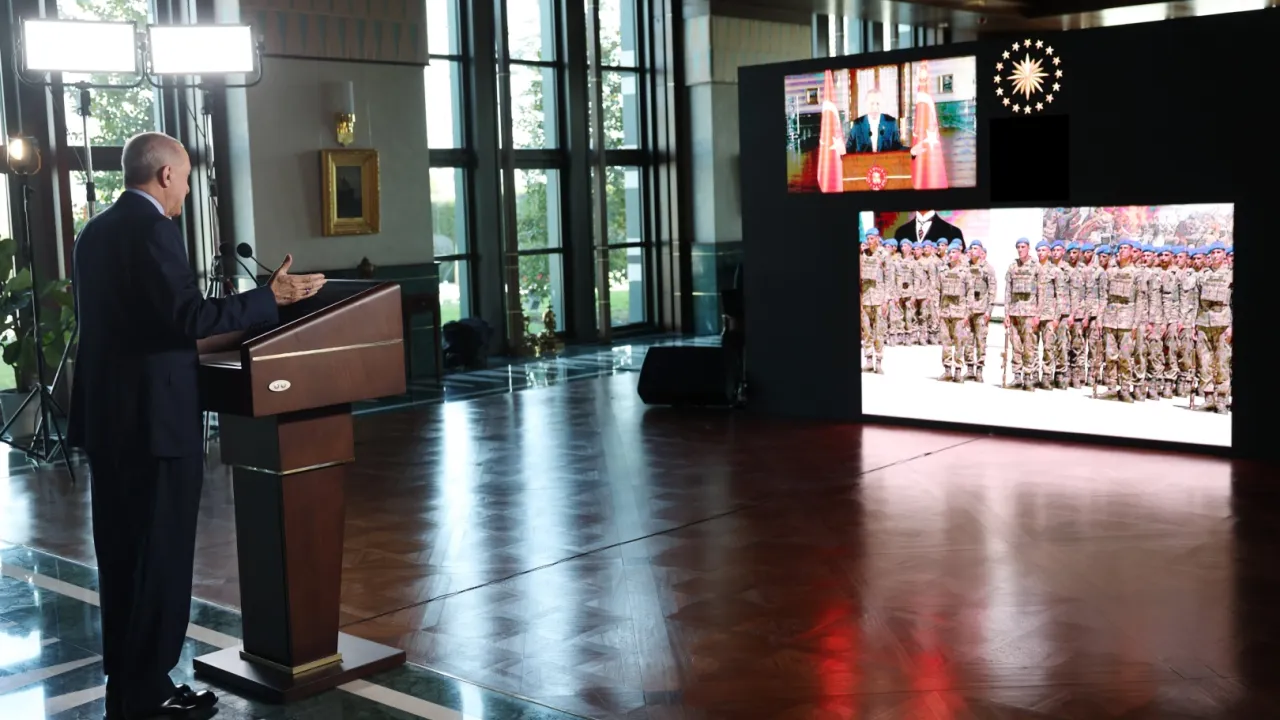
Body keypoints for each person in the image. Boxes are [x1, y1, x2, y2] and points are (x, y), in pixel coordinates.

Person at [68, 132, 327, 719]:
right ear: (164, 175)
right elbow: (186, 318)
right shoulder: (153, 229)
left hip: (110, 424)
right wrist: (267, 299)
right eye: (185, 178)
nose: (186, 190)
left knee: (122, 558)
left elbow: (142, 323)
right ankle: (150, 691)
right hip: (155, 426)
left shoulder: (94, 232)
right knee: (159, 558)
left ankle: (127, 687)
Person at [1004, 238, 1041, 391]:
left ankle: (1028, 376)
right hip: (1014, 313)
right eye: (1018, 247)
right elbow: (1008, 291)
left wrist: (1038, 314)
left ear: (1028, 248)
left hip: (1029, 313)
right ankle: (1017, 376)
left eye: (1023, 247)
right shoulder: (1013, 266)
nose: (1020, 249)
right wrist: (1006, 313)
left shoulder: (1036, 266)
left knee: (1029, 346)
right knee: (1016, 345)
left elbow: (1041, 292)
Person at [908, 61, 948, 189]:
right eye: (920, 78)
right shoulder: (920, 99)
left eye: (924, 79)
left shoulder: (926, 98)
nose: (922, 81)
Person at [937, 241, 972, 382]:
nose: (950, 255)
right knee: (945, 341)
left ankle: (958, 370)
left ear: (959, 254)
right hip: (945, 312)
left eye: (953, 252)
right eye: (949, 252)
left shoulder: (965, 272)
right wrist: (937, 310)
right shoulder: (942, 271)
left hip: (959, 313)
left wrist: (967, 313)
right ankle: (947, 370)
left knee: (959, 342)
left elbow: (970, 293)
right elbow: (937, 290)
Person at [965, 240, 997, 383]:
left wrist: (989, 311)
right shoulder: (965, 267)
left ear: (981, 251)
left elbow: (992, 290)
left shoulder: (987, 269)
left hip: (981, 310)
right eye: (971, 248)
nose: (973, 250)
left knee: (980, 341)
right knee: (968, 340)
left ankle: (979, 370)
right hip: (967, 311)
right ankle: (969, 369)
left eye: (976, 248)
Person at [845, 88, 903, 154]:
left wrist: (910, 151)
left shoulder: (891, 123)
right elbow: (849, 149)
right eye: (872, 104)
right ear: (866, 104)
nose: (875, 107)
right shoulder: (858, 124)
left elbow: (898, 148)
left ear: (882, 104)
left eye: (878, 103)